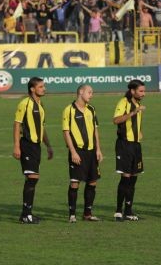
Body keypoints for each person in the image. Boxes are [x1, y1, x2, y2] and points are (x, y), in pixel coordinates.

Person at [13, 77, 54, 224]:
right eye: (41, 86)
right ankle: (26, 215)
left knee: (32, 178)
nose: (44, 89)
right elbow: (17, 124)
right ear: (32, 89)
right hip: (27, 144)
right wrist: (16, 146)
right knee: (32, 178)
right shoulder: (24, 103)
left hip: (37, 146)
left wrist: (48, 145)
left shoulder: (41, 105)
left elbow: (42, 128)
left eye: (44, 86)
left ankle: (27, 214)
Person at [62, 84, 103, 223]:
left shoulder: (91, 109)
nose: (92, 95)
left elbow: (95, 130)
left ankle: (87, 214)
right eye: (89, 92)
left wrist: (98, 149)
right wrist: (73, 152)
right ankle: (72, 215)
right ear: (81, 92)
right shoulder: (69, 110)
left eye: (92, 92)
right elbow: (66, 132)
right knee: (75, 182)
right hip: (78, 151)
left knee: (92, 182)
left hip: (91, 152)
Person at [113, 79, 146, 221]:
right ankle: (118, 211)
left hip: (136, 145)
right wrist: (133, 112)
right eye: (141, 91)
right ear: (132, 91)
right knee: (125, 178)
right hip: (124, 144)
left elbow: (134, 123)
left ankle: (128, 211)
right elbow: (116, 120)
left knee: (133, 179)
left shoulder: (137, 104)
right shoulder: (123, 102)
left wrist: (139, 131)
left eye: (144, 91)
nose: (143, 94)